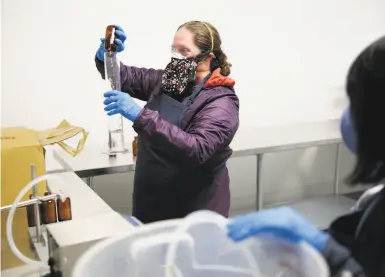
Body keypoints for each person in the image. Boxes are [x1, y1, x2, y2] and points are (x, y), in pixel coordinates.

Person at [227, 35, 385, 277]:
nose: (180, 57)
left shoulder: (220, 97)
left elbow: (201, 147)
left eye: (355, 102)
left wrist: (329, 255)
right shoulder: (376, 201)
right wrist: (324, 247)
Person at [95, 22, 239, 224]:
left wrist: (140, 116)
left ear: (208, 58)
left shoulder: (221, 102)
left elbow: (197, 149)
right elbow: (124, 77)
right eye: (174, 50)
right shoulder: (171, 81)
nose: (177, 56)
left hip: (193, 213)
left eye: (184, 51)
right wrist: (108, 57)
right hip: (152, 203)